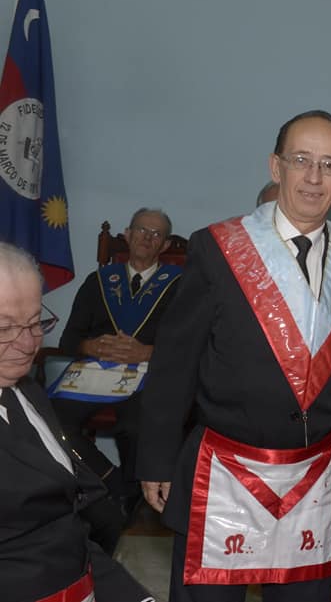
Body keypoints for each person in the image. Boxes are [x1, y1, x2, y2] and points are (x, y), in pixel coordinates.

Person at [136, 110, 331, 601]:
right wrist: (157, 458)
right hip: (224, 474)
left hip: (310, 482)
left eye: (329, 165)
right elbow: (175, 362)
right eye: (301, 160)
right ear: (276, 166)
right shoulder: (219, 249)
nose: (314, 177)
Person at [0, 242, 154, 602]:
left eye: (36, 323)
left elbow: (65, 528)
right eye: (5, 328)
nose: (28, 344)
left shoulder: (27, 391)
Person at [51, 208, 181, 527]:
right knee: (51, 420)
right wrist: (90, 347)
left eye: (156, 234)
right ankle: (114, 481)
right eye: (141, 230)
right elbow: (69, 339)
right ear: (127, 235)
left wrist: (148, 352)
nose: (147, 238)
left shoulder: (181, 285)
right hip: (94, 370)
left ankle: (131, 495)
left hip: (148, 373)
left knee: (135, 425)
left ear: (165, 245)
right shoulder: (98, 281)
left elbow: (190, 344)